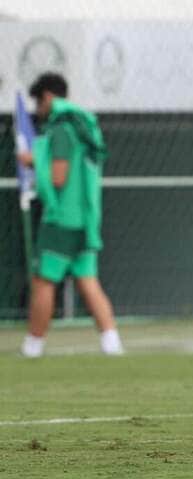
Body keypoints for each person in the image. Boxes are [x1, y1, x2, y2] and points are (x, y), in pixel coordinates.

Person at [17, 73, 123, 358]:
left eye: (38, 104)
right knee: (88, 281)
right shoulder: (81, 124)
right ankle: (111, 343)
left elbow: (58, 177)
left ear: (48, 97)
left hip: (62, 219)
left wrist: (32, 161)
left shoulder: (62, 128)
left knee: (43, 281)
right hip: (86, 220)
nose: (38, 112)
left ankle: (33, 346)